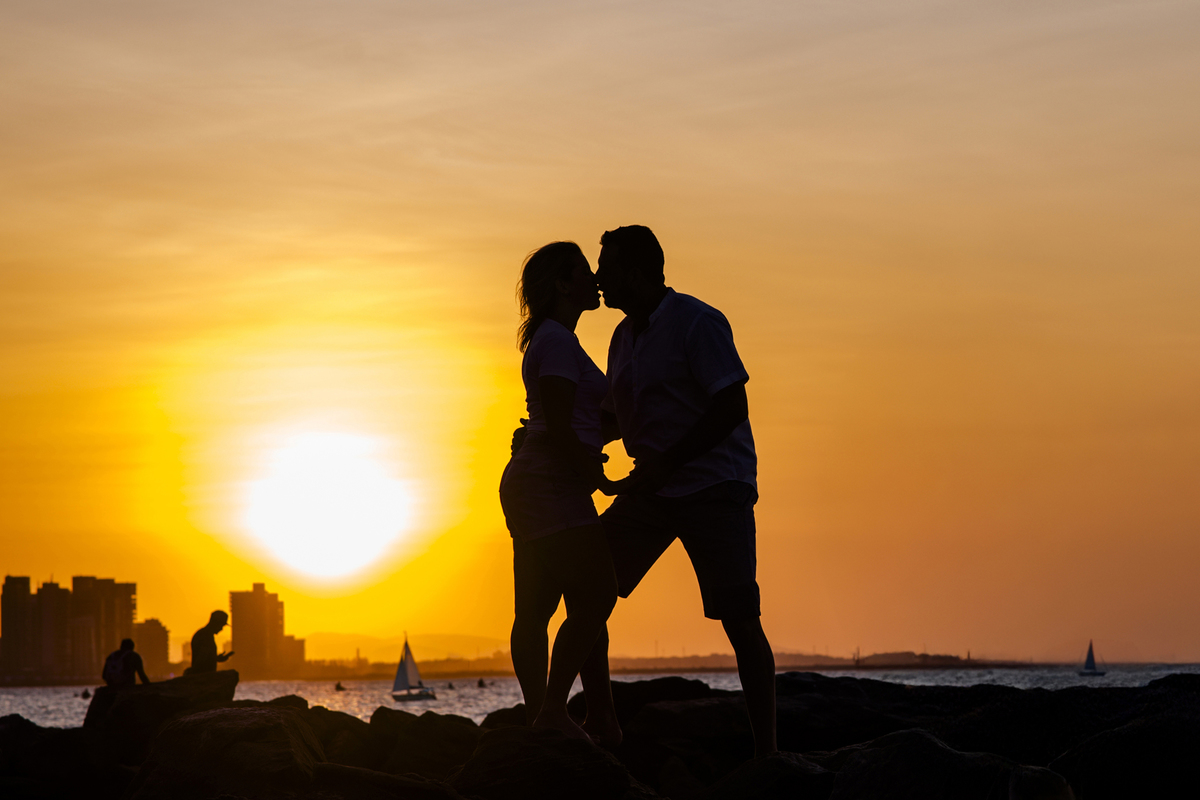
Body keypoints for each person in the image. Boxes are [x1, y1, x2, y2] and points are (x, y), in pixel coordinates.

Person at [584, 224, 778, 757]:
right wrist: (544, 436)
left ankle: (769, 756)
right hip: (652, 491)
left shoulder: (698, 321)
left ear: (636, 271)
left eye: (608, 267)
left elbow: (731, 406)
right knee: (586, 589)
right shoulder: (622, 337)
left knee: (740, 618)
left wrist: (668, 461)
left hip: (717, 487)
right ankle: (603, 724)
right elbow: (612, 419)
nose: (599, 278)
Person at [499, 241, 620, 741]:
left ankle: (562, 719)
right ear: (562, 284)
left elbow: (576, 420)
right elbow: (562, 424)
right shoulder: (556, 342)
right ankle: (551, 712)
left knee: (540, 608)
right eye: (584, 272)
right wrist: (599, 476)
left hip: (541, 481)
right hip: (550, 483)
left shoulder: (556, 341)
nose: (595, 279)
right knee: (596, 594)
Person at [185, 610, 234, 674]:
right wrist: (216, 658)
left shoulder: (205, 635)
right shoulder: (205, 636)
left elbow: (205, 658)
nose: (221, 629)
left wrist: (217, 658)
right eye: (221, 625)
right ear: (216, 623)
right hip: (202, 677)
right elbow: (202, 659)